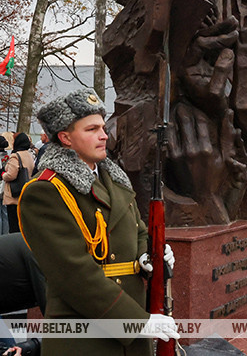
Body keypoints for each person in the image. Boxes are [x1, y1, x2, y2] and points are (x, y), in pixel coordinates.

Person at [17, 88, 178, 354]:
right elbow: (73, 274)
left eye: (103, 127)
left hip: (131, 327)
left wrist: (146, 257)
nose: (104, 135)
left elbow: (137, 229)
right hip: (87, 335)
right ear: (65, 138)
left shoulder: (114, 179)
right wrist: (136, 322)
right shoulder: (45, 191)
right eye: (92, 129)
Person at [2, 133, 35, 234]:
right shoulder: (29, 155)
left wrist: (3, 175)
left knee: (13, 224)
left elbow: (11, 175)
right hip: (24, 190)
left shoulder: (15, 156)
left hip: (13, 193)